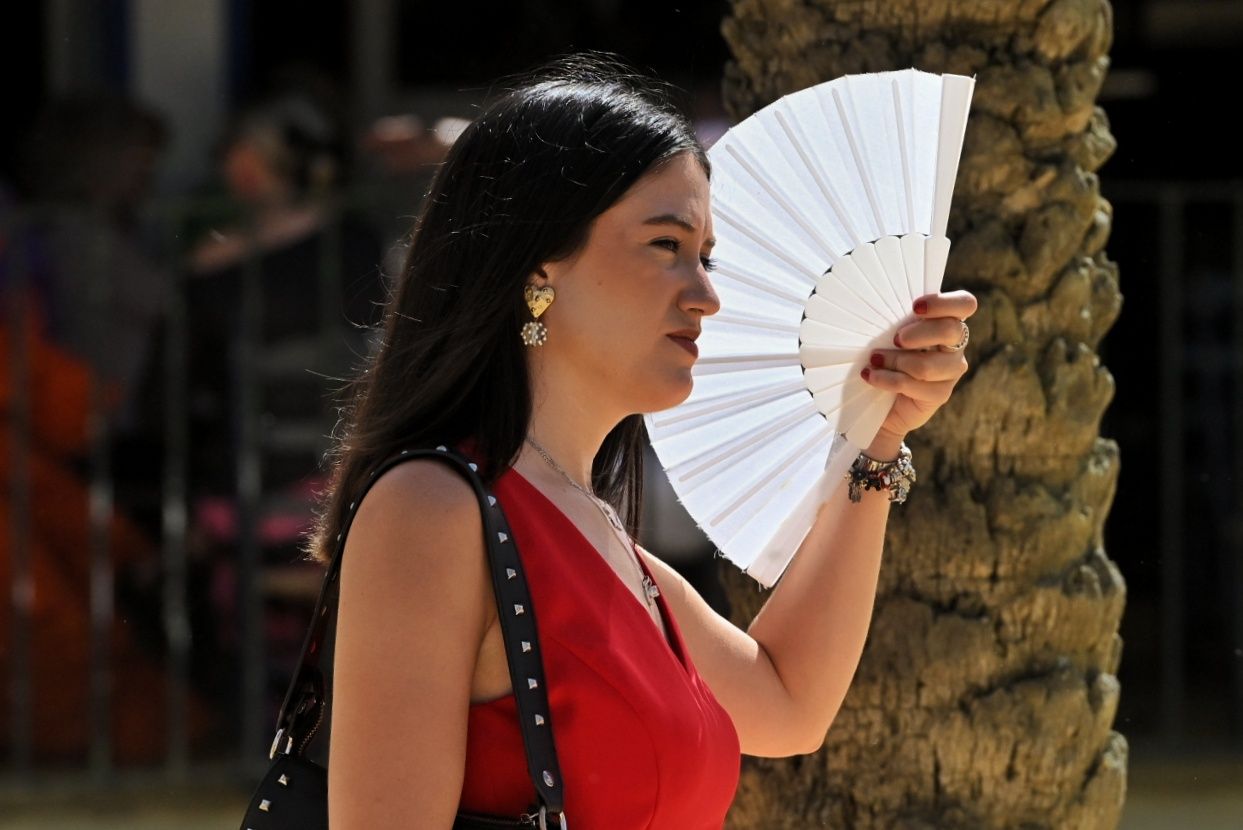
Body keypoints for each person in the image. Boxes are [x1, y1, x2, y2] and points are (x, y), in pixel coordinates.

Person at [314, 55, 976, 828]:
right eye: (665, 245)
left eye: (706, 255)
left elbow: (789, 704)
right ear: (537, 268)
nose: (706, 294)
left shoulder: (588, 525)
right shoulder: (432, 508)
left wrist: (876, 441)